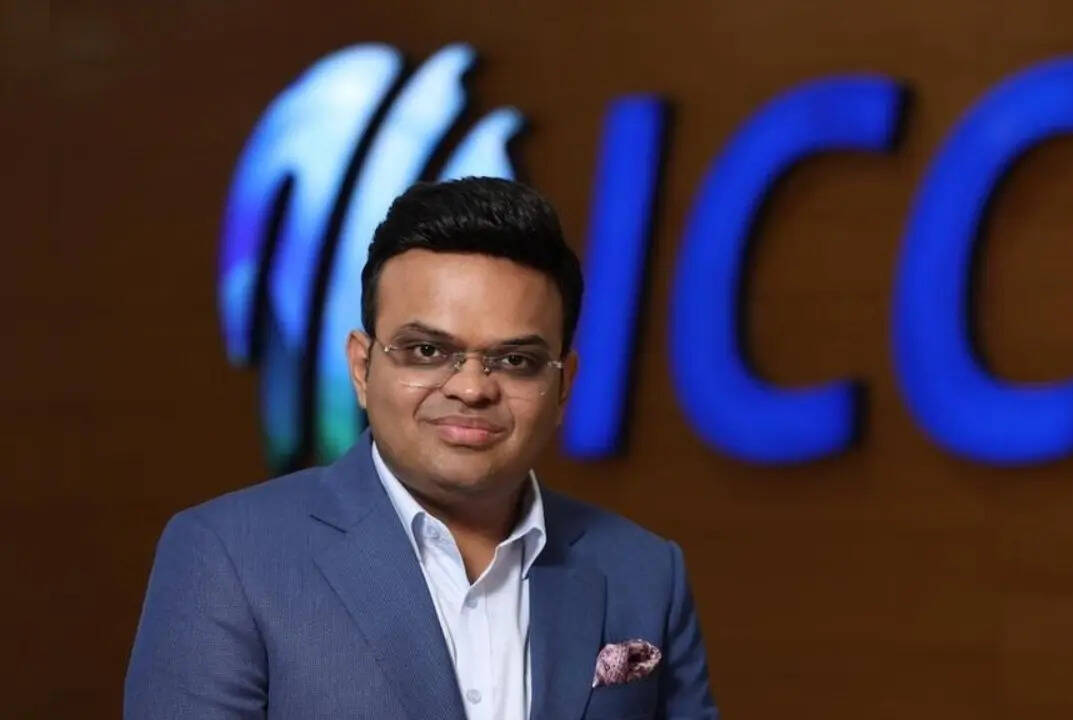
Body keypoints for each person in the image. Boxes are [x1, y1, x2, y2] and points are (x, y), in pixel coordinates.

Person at [125, 178, 718, 719]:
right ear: (361, 368)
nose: (472, 389)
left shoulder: (645, 571)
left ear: (563, 386)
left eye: (515, 360)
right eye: (428, 352)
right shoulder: (230, 555)